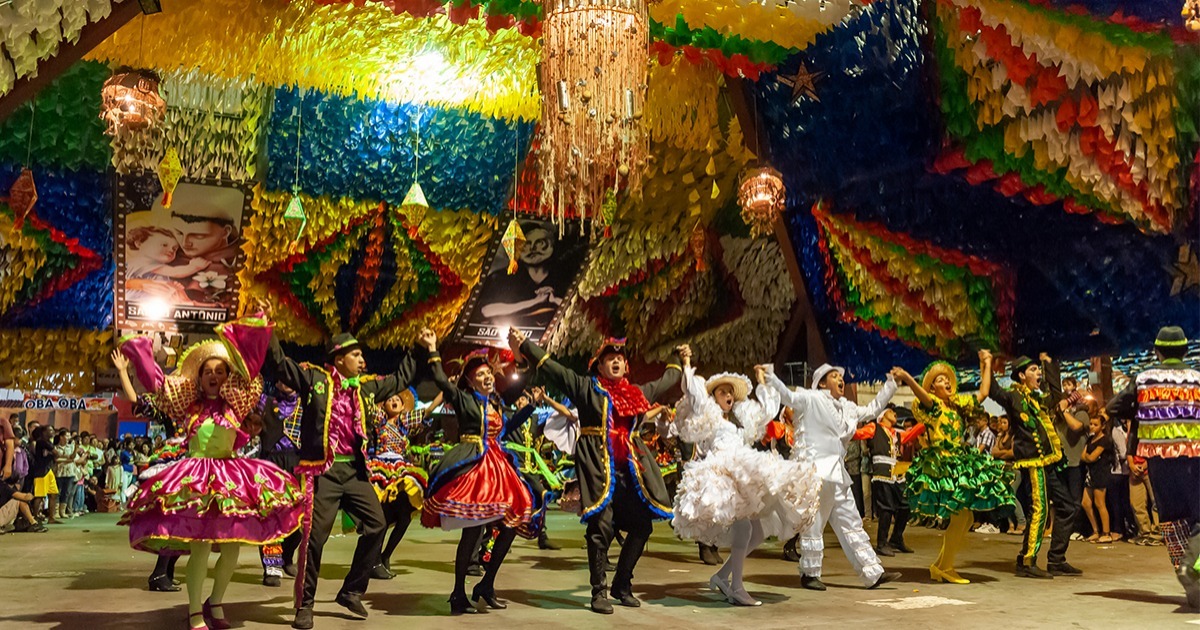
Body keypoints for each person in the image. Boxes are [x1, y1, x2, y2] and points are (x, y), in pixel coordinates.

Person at [113, 314, 306, 630]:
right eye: (208, 372)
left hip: (231, 479)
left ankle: (214, 601)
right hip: (198, 480)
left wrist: (253, 332)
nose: (214, 376)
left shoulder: (236, 406)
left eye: (220, 371)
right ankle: (194, 611)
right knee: (200, 550)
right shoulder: (187, 407)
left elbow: (251, 372)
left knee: (232, 551)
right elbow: (158, 384)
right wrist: (138, 353)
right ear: (199, 378)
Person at [262, 320, 426, 630]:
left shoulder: (366, 387)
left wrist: (418, 347)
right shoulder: (315, 379)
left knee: (377, 526)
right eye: (357, 355)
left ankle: (351, 590)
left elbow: (401, 378)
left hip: (355, 471)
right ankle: (304, 606)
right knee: (314, 539)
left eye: (363, 356)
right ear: (339, 359)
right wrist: (268, 328)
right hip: (323, 471)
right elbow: (281, 365)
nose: (363, 361)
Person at [512, 330, 687, 614]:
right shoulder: (587, 388)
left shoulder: (637, 393)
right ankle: (599, 591)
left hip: (630, 472)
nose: (616, 362)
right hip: (598, 467)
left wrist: (679, 359)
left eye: (620, 359)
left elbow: (666, 380)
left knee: (642, 526)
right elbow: (553, 369)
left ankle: (622, 583)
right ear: (599, 365)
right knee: (600, 527)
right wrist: (525, 345)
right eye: (610, 359)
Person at [418, 333, 547, 614]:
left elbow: (509, 422)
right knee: (473, 533)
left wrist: (522, 361)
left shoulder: (496, 402)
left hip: (499, 466)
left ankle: (486, 585)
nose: (488, 376)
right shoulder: (464, 399)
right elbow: (441, 381)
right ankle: (457, 593)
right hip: (476, 466)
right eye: (481, 373)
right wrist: (432, 349)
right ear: (470, 380)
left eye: (489, 372)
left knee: (512, 523)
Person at [671, 363, 818, 606]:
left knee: (757, 532)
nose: (728, 396)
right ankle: (736, 586)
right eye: (722, 392)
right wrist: (687, 366)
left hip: (743, 470)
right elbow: (695, 396)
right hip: (726, 473)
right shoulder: (711, 418)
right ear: (714, 398)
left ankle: (721, 577)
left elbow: (766, 413)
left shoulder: (739, 420)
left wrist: (763, 382)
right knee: (745, 530)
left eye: (730, 392)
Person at [757, 362, 903, 590]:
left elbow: (874, 409)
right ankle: (810, 573)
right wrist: (771, 376)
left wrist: (891, 384)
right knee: (814, 523)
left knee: (851, 522)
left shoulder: (847, 407)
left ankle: (872, 573)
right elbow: (788, 397)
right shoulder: (811, 399)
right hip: (816, 472)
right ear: (822, 383)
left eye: (840, 376)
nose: (840, 379)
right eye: (834, 376)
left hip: (838, 473)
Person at [891, 354, 1012, 583]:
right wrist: (907, 377)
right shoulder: (934, 406)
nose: (946, 382)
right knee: (962, 515)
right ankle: (945, 567)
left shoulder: (957, 406)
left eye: (948, 379)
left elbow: (984, 392)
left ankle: (940, 565)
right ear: (932, 388)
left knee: (966, 518)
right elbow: (921, 394)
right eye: (939, 380)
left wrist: (986, 364)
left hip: (958, 461)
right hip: (942, 464)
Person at [1106, 326, 1200, 610]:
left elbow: (1113, 407)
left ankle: (1192, 588)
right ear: (1185, 351)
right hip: (1194, 457)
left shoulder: (1143, 379)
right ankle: (1192, 566)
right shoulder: (1197, 378)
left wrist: (1144, 411)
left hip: (1157, 460)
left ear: (1157, 352)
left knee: (1171, 520)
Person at [987, 353, 1082, 578]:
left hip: (1048, 461)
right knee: (1039, 510)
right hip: (1032, 462)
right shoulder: (1013, 396)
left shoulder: (1037, 399)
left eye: (1037, 370)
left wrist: (1048, 363)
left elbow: (1056, 396)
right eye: (1032, 370)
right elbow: (993, 391)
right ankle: (1026, 560)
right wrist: (988, 363)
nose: (1037, 374)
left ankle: (1056, 559)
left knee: (1068, 507)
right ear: (1021, 376)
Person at [366, 389, 434, 581]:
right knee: (382, 518)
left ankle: (385, 556)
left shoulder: (404, 425)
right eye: (390, 399)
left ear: (403, 406)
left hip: (401, 470)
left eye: (397, 399)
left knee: (404, 518)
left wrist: (446, 389)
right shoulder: (380, 422)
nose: (394, 401)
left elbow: (428, 411)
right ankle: (374, 561)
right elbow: (370, 406)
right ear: (384, 406)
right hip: (380, 470)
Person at [852, 404, 923, 558]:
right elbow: (856, 434)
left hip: (897, 474)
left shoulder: (897, 434)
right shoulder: (874, 428)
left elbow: (911, 434)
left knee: (905, 506)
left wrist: (927, 422)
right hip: (882, 473)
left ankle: (896, 538)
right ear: (882, 416)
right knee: (886, 508)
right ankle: (882, 543)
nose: (894, 413)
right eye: (890, 411)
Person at [256, 382, 305, 587]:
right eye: (282, 377)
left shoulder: (307, 405)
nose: (287, 381)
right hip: (271, 463)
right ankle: (271, 566)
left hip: (298, 463)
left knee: (301, 517)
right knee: (271, 518)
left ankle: (286, 557)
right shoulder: (265, 402)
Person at [1080, 415, 1114, 543]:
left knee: (1100, 503)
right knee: (1086, 503)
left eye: (1096, 425)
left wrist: (1088, 457)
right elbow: (1083, 456)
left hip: (1101, 473)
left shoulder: (1104, 440)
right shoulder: (1090, 439)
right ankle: (1095, 530)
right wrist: (1088, 457)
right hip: (1090, 474)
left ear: (1103, 426)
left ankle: (1106, 532)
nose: (1092, 427)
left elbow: (1092, 457)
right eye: (1091, 424)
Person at [991, 415, 1027, 536]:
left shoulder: (1014, 436)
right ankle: (1011, 523)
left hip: (1014, 469)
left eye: (1004, 422)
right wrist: (1003, 454)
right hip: (1003, 469)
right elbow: (993, 451)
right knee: (1005, 496)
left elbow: (1013, 453)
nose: (1001, 424)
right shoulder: (1000, 436)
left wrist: (1001, 454)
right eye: (1001, 422)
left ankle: (1022, 521)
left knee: (1011, 494)